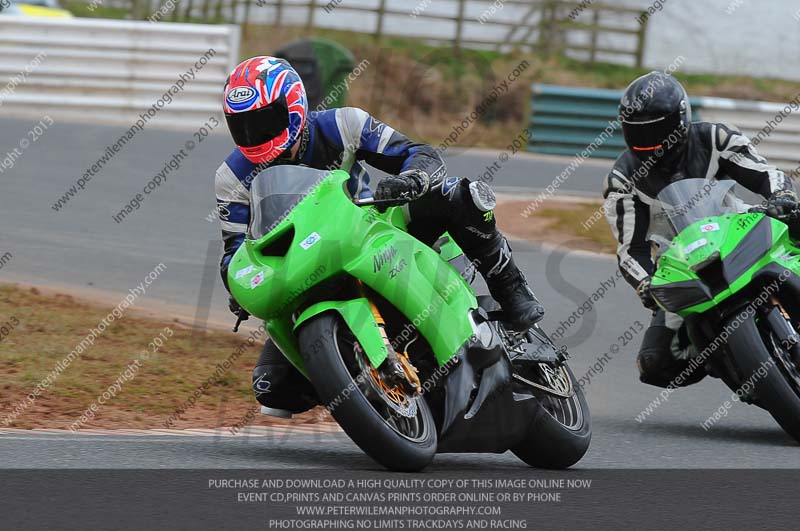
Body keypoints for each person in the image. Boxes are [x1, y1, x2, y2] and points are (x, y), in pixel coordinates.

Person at [215, 56, 545, 416]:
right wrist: (241, 287)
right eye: (242, 127)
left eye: (263, 122)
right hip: (300, 266)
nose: (254, 136)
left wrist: (413, 178)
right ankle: (364, 386)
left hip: (370, 229)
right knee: (273, 388)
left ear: (293, 107)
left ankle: (511, 289)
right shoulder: (231, 177)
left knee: (455, 194)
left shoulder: (343, 124)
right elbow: (235, 253)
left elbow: (418, 153)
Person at [603, 71, 799, 388]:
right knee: (655, 364)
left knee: (795, 218)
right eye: (639, 133)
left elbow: (765, 173)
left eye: (657, 131)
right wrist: (645, 284)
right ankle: (728, 356)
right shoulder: (621, 180)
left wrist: (781, 196)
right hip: (681, 265)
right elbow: (630, 250)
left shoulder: (714, 137)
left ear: (680, 121)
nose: (649, 142)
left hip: (740, 231)